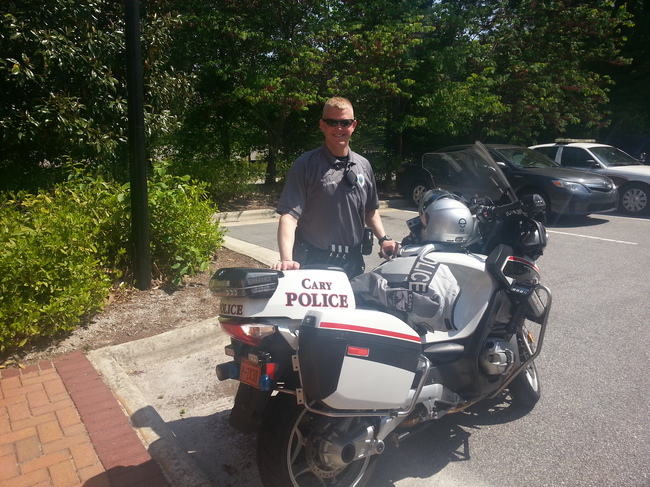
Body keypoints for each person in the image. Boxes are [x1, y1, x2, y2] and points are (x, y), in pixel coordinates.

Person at [271, 97, 399, 278]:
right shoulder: (305, 165)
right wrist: (286, 259)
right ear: (322, 125)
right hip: (314, 259)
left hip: (353, 262)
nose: (339, 128)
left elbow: (370, 210)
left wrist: (384, 239)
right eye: (332, 122)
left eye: (345, 123)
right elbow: (289, 216)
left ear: (353, 125)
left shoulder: (363, 165)